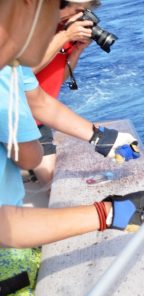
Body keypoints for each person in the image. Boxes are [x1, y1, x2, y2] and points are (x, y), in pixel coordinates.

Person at [0, 2, 144, 296]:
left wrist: (108, 208)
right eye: (61, 10)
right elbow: (27, 154)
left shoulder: (10, 68)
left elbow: (40, 101)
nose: (63, 21)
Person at [32, 0, 102, 185]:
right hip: (18, 113)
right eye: (77, 10)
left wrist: (76, 52)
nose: (76, 16)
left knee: (52, 183)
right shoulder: (36, 28)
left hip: (41, 117)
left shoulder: (66, 30)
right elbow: (25, 71)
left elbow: (58, 78)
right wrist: (64, 36)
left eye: (82, 12)